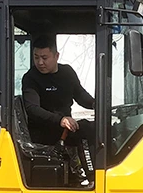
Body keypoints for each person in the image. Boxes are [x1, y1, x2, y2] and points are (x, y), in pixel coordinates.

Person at [21, 35, 95, 184]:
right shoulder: (30, 78)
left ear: (56, 56)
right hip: (43, 131)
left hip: (65, 128)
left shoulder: (67, 73)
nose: (40, 62)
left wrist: (96, 104)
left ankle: (94, 174)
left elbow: (80, 94)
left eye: (44, 58)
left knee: (96, 128)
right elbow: (32, 109)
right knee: (85, 131)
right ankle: (93, 177)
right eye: (36, 57)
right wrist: (60, 120)